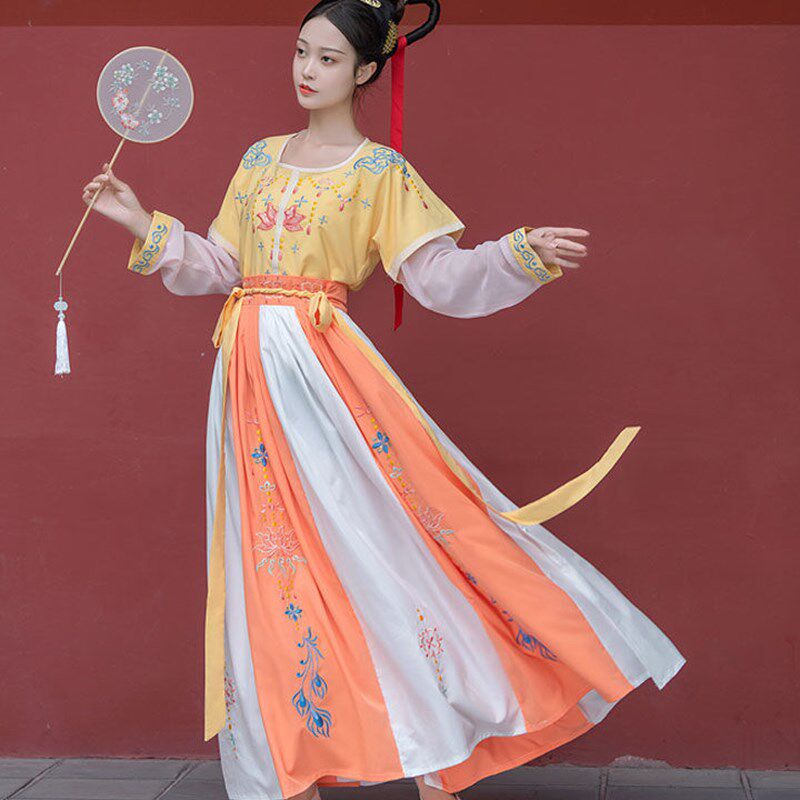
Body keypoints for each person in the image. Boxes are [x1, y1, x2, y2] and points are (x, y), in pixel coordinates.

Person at [82, 2, 686, 799]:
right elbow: (220, 265)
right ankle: (280, 759)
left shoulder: (380, 174)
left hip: (322, 378)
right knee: (268, 558)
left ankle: (444, 728)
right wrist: (141, 222)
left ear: (367, 70)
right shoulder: (259, 159)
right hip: (247, 376)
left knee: (376, 546)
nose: (306, 70)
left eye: (328, 59)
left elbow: (436, 278)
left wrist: (516, 255)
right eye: (301, 52)